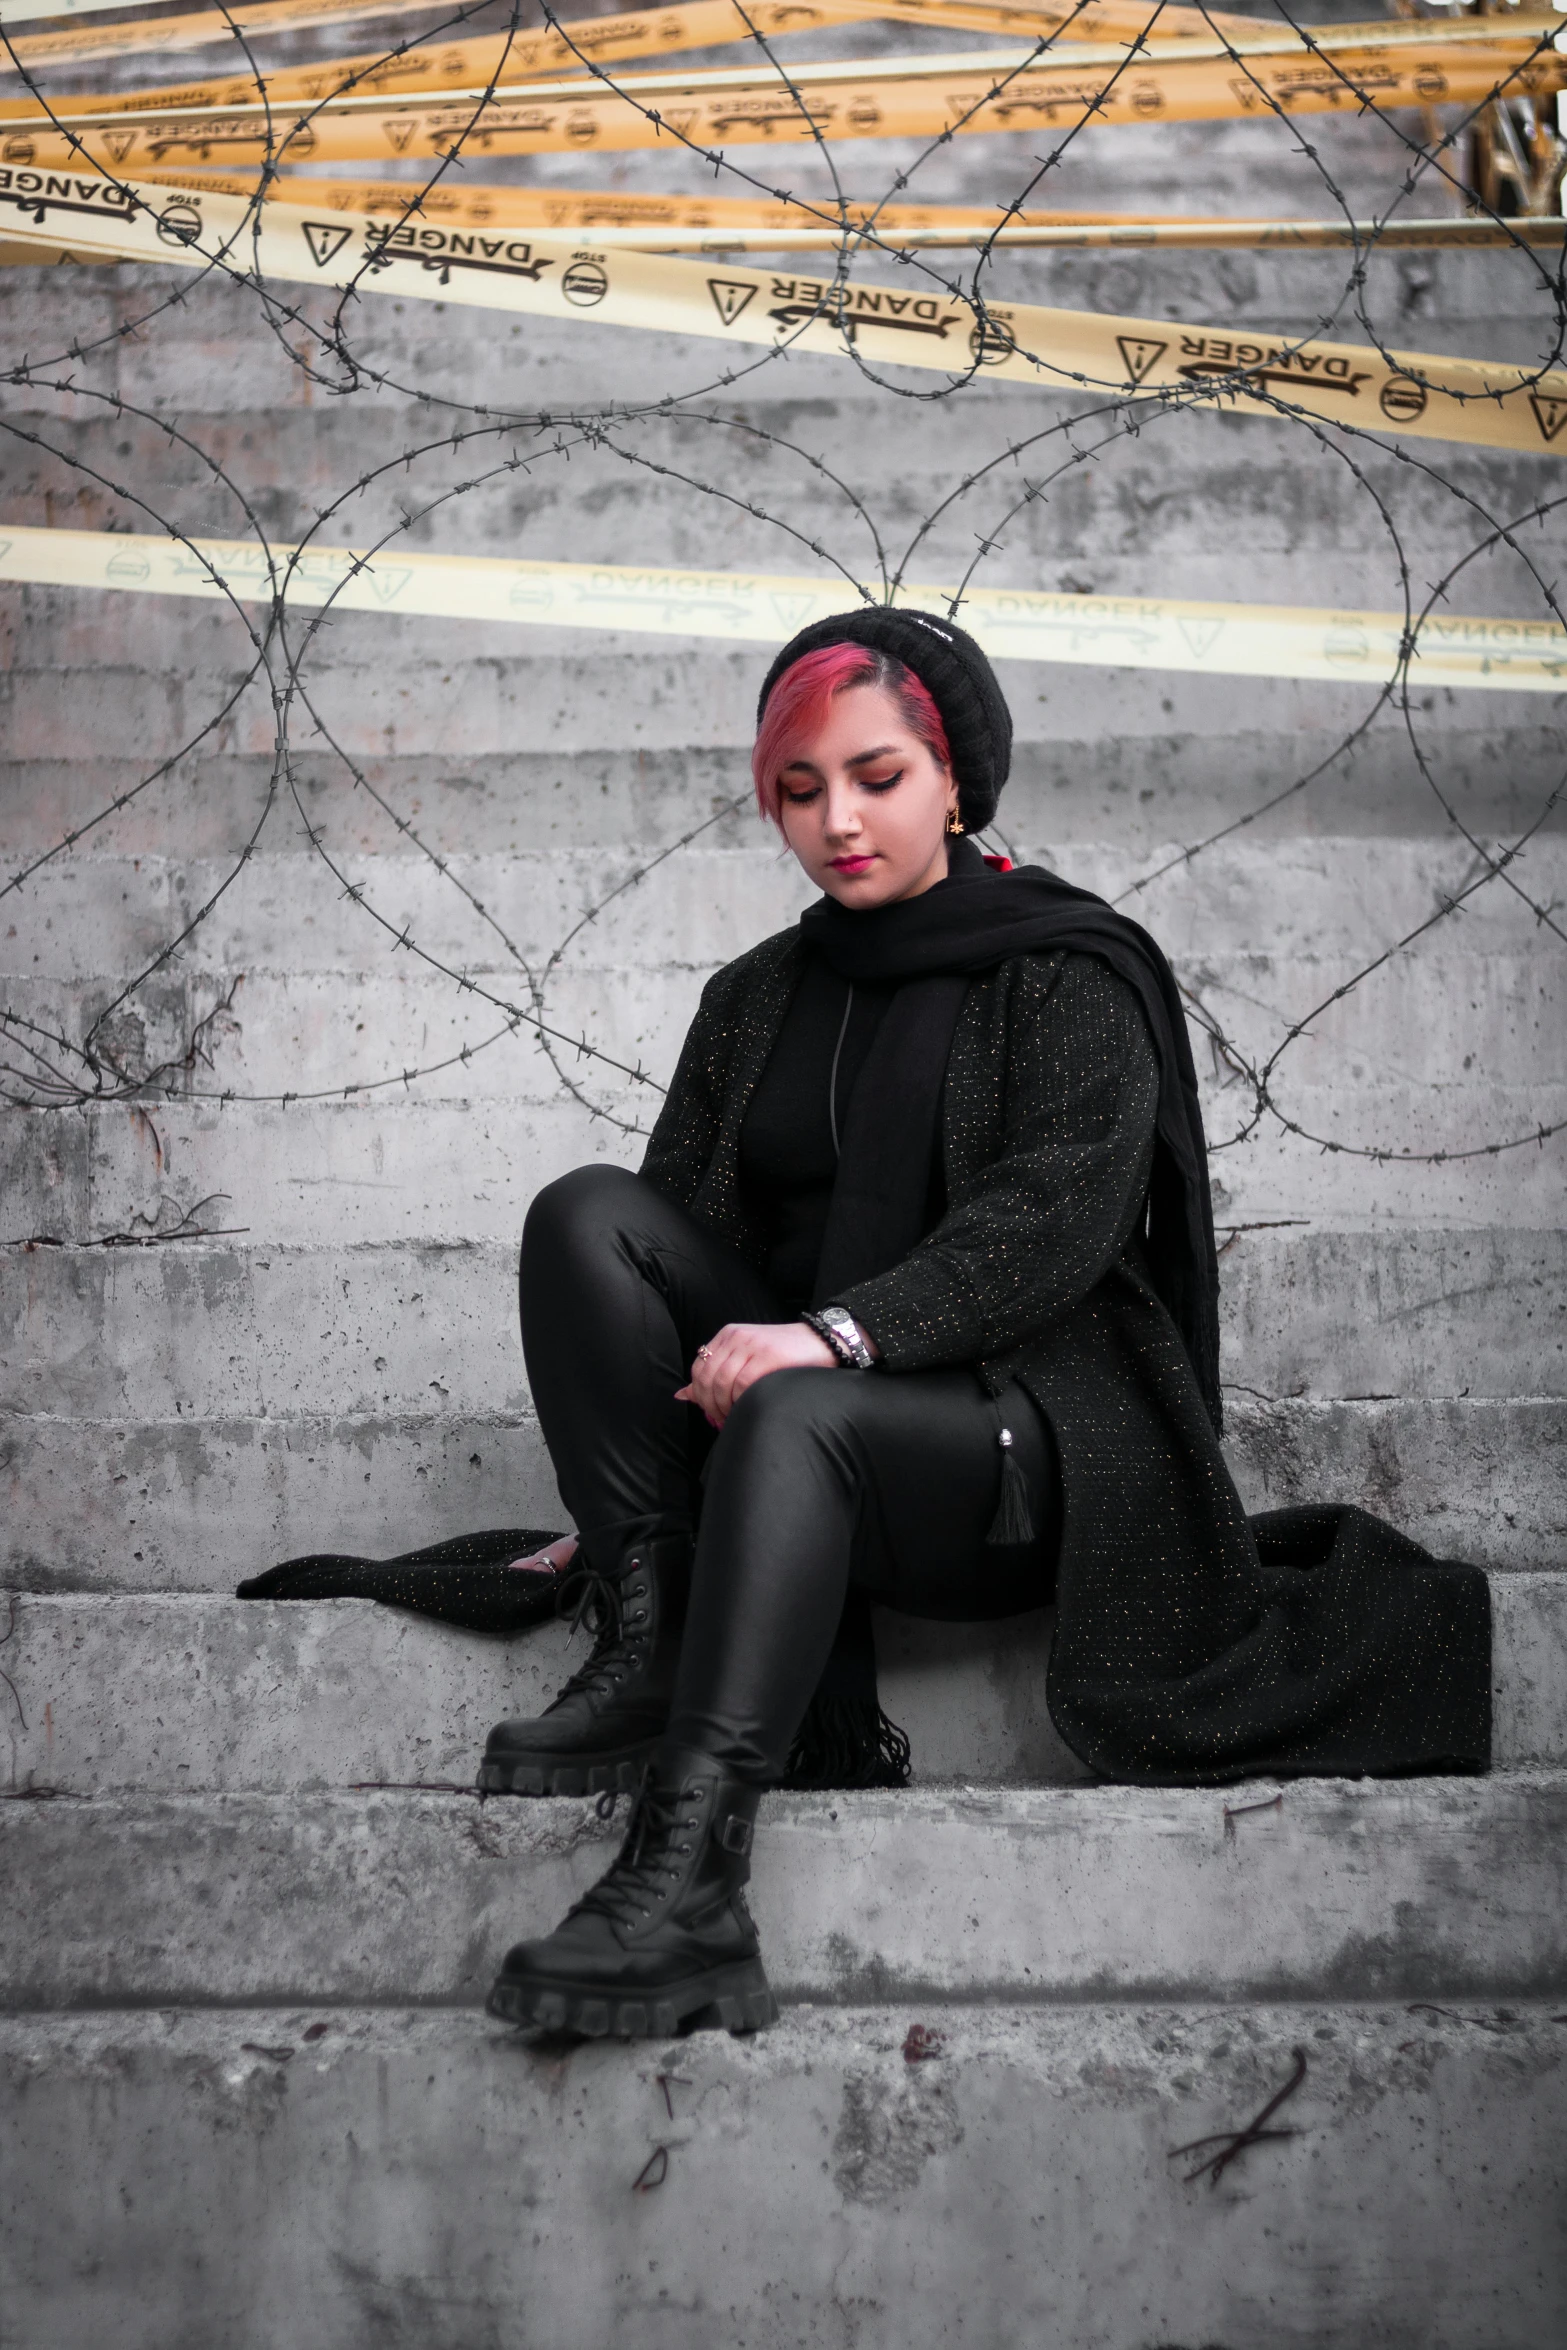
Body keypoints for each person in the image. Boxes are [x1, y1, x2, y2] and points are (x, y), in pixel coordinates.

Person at [481, 607, 1491, 2043]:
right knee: (585, 1213)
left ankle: (686, 1873)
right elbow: (666, 1245)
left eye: (877, 777)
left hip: (1023, 1439)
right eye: (798, 788)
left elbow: (1047, 1231)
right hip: (804, 1419)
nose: (837, 819)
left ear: (956, 779)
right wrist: (622, 1478)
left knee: (794, 1403)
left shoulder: (1068, 970)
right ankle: (653, 1621)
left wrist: (832, 1332)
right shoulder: (755, 997)